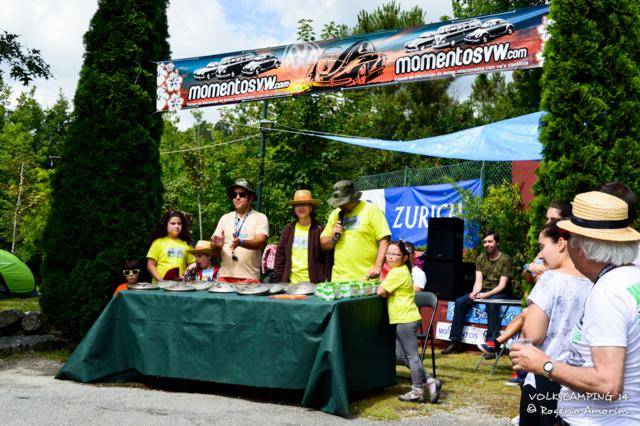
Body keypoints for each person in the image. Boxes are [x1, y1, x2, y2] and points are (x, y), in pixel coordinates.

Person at [510, 191, 640, 424]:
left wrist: (543, 364)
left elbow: (608, 383)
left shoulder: (608, 292)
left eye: (566, 236)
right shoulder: (631, 278)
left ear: (580, 247)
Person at [516, 221, 592, 425]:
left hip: (544, 379)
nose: (540, 255)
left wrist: (527, 316)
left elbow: (533, 335)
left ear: (560, 243)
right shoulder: (596, 282)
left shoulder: (549, 280)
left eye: (542, 247)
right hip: (580, 383)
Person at [481, 201, 572, 366]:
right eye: (547, 218)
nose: (548, 223)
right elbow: (526, 275)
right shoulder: (547, 245)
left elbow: (533, 334)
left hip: (553, 316)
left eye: (553, 219)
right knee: (525, 316)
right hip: (540, 302)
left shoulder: (568, 249)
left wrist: (543, 273)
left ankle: (499, 345)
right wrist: (529, 267)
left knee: (525, 317)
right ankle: (517, 366)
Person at [376, 240, 442, 403]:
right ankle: (429, 380)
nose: (390, 257)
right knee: (400, 355)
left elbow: (380, 291)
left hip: (406, 318)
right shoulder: (399, 271)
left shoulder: (397, 272)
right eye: (388, 253)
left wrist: (385, 290)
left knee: (412, 356)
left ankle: (417, 389)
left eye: (394, 254)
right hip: (400, 318)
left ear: (404, 257)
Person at [442, 230, 513, 355]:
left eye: (490, 241)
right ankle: (455, 342)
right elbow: (478, 281)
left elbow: (502, 285)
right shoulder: (481, 258)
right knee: (460, 302)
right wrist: (475, 293)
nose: (487, 244)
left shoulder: (506, 259)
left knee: (491, 304)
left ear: (497, 243)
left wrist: (486, 295)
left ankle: (491, 345)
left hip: (500, 291)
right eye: (485, 242)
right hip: (483, 290)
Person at [320, 180, 391, 281]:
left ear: (352, 198)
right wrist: (333, 238)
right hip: (339, 279)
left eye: (342, 202)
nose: (339, 205)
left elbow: (385, 239)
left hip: (367, 277)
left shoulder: (371, 209)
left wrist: (377, 266)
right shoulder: (335, 214)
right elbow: (323, 244)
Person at [211, 178, 268, 283]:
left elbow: (260, 242)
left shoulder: (260, 217)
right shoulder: (224, 218)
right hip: (224, 277)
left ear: (250, 198)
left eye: (242, 194)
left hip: (249, 279)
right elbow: (215, 254)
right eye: (234, 195)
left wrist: (241, 242)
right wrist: (216, 246)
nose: (237, 197)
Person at [272, 190, 330, 283]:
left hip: (314, 287)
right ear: (294, 208)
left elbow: (328, 258)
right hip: (290, 286)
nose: (301, 207)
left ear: (311, 207)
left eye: (305, 204)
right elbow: (280, 258)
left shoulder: (320, 229)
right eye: (298, 205)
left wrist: (329, 281)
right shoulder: (288, 229)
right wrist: (276, 283)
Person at [147, 210, 194, 282]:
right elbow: (150, 265)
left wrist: (186, 274)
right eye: (173, 223)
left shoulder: (187, 244)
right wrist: (161, 280)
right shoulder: (158, 242)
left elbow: (192, 263)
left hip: (180, 286)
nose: (176, 226)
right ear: (166, 225)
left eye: (179, 223)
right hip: (160, 287)